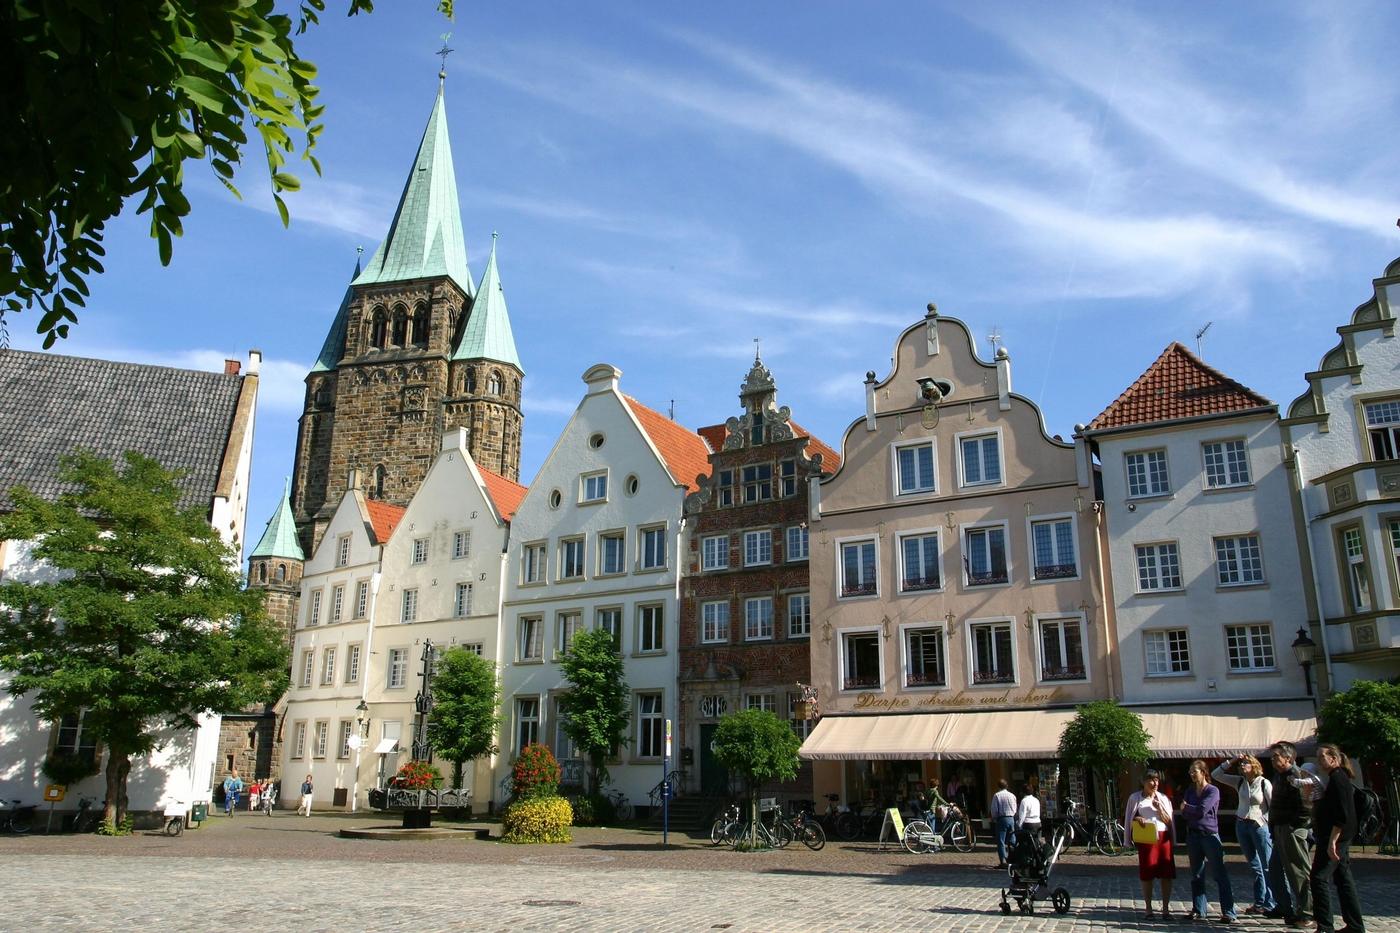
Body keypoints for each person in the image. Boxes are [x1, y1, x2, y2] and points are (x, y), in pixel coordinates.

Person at [1309, 744, 1366, 933]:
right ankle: (1355, 925)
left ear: (1333, 758)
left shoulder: (1338, 778)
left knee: (1318, 878)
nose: (1318, 761)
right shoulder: (1335, 778)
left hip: (1336, 837)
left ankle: (1325, 926)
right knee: (1343, 879)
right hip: (1336, 836)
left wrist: (1333, 840)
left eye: (1321, 757)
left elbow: (1342, 815)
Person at [1213, 754, 1275, 915]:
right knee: (1255, 866)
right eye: (1241, 764)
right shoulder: (1240, 781)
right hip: (1242, 824)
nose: (1242, 766)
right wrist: (1232, 760)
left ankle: (1271, 902)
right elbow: (1216, 775)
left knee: (1266, 864)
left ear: (1254, 765)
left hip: (1258, 826)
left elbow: (1272, 806)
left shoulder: (1263, 783)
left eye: (1245, 763)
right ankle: (1259, 901)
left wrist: (1262, 820)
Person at [1181, 759, 1236, 922]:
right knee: (1196, 875)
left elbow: (1202, 811)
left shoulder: (1213, 791)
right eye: (1190, 771)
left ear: (1203, 772)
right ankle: (1199, 909)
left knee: (1219, 874)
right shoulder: (1190, 791)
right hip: (1193, 835)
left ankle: (1228, 911)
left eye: (1194, 771)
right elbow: (1184, 814)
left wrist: (1188, 808)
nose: (1191, 774)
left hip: (1209, 836)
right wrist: (1189, 810)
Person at [1267, 741, 1314, 928]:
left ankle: (1308, 913)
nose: (1272, 760)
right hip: (1280, 828)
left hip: (1291, 829)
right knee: (1280, 869)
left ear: (1288, 758)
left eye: (1276, 756)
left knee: (1298, 871)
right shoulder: (1279, 776)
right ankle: (1291, 908)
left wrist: (1294, 827)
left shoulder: (1297, 775)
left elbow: (1306, 806)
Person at [1125, 768, 1176, 920]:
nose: (1154, 783)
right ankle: (1148, 909)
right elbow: (1129, 818)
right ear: (1143, 782)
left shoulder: (1163, 798)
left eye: (1156, 780)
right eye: (1151, 780)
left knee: (1166, 875)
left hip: (1163, 837)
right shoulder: (1135, 798)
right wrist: (1137, 820)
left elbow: (1169, 821)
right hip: (1147, 839)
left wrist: (1160, 808)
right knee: (1147, 875)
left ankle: (1166, 910)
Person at [992, 779, 1018, 869]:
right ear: (1007, 786)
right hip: (1011, 818)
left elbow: (994, 810)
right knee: (1012, 840)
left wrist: (994, 818)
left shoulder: (997, 795)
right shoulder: (1012, 795)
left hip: (1002, 819)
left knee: (1001, 841)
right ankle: (1014, 858)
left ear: (998, 786)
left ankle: (1003, 861)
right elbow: (1015, 808)